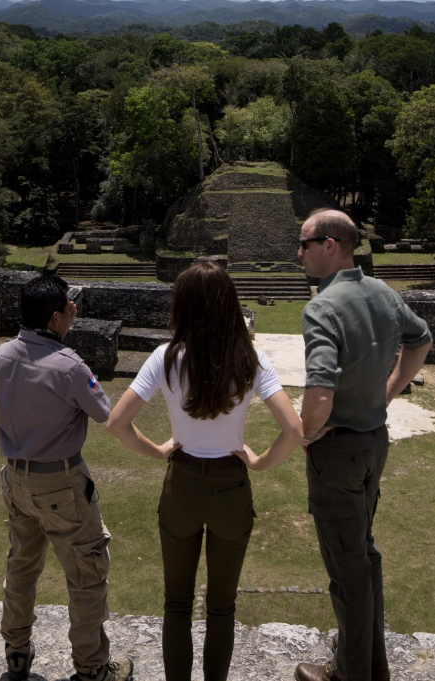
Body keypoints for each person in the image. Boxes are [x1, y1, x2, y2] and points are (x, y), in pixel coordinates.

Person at [107, 259, 304, 681]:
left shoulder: (165, 357)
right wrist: (259, 461)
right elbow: (293, 430)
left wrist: (159, 451)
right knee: (222, 606)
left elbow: (117, 424)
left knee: (176, 603)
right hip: (231, 488)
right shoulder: (250, 358)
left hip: (182, 486)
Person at [294, 210, 433, 681]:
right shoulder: (382, 292)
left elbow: (319, 392)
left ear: (330, 245)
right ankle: (372, 663)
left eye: (305, 243)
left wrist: (306, 431)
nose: (300, 253)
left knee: (346, 567)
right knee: (364, 553)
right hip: (375, 442)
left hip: (338, 453)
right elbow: (422, 339)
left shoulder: (323, 307)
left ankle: (349, 674)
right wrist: (389, 391)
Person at [0, 275, 133, 681]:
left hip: (15, 480)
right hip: (60, 484)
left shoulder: (3, 355)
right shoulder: (69, 366)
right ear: (54, 318)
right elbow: (107, 413)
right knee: (87, 575)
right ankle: (92, 668)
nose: (75, 311)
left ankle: (16, 652)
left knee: (21, 565)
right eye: (69, 308)